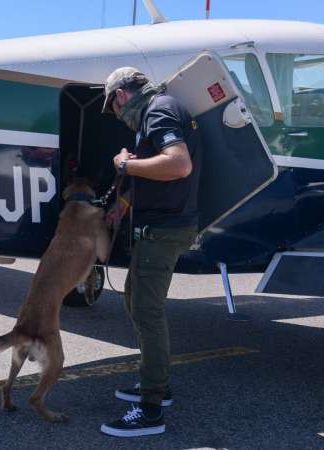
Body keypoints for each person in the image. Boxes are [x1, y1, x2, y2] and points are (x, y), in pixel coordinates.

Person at [99, 67, 202, 438]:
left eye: (112, 107)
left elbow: (178, 164)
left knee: (147, 310)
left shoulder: (159, 111)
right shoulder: (155, 114)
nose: (115, 115)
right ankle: (153, 383)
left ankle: (151, 409)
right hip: (158, 227)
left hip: (164, 230)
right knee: (134, 300)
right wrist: (123, 203)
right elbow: (156, 175)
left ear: (121, 96)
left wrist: (125, 164)